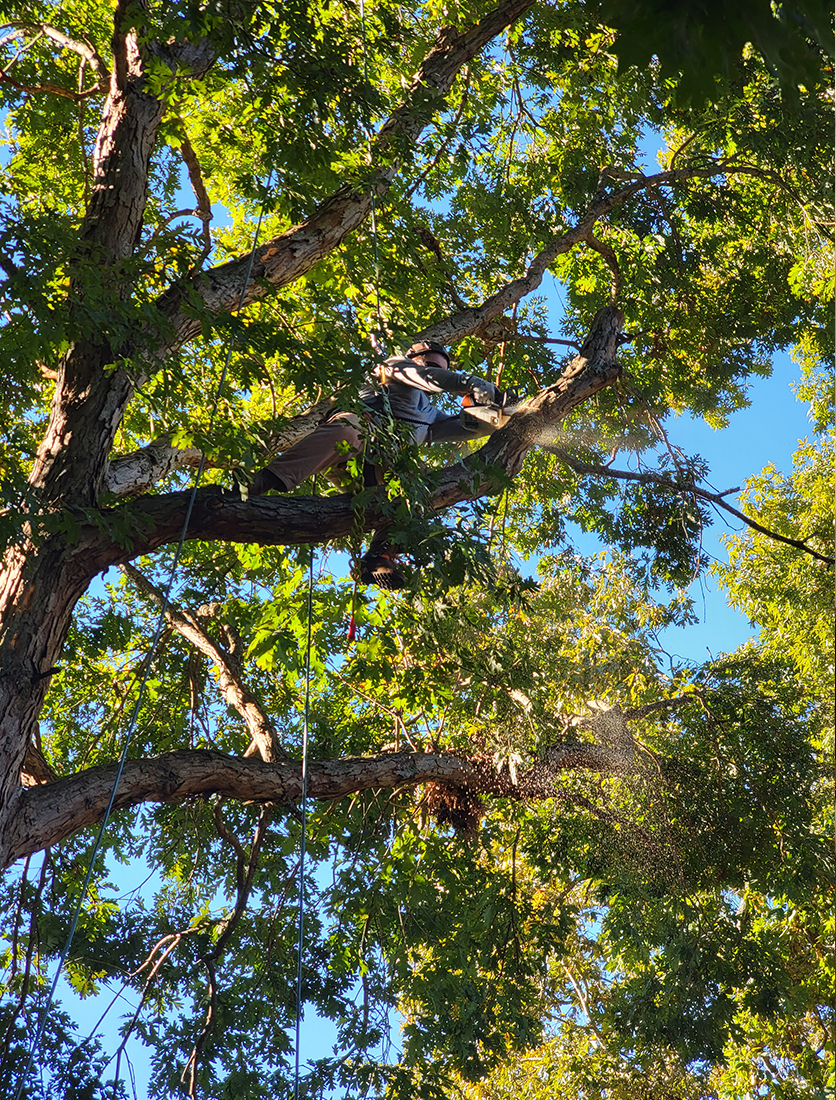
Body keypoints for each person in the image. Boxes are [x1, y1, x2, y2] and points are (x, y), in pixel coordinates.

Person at [247, 341, 507, 588]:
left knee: (419, 487)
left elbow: (465, 427)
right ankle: (261, 482)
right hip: (350, 447)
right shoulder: (393, 367)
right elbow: (425, 377)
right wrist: (469, 382)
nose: (436, 373)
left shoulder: (429, 415)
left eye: (442, 370)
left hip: (382, 471)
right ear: (416, 361)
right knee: (349, 431)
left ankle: (379, 557)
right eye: (431, 365)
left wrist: (499, 414)